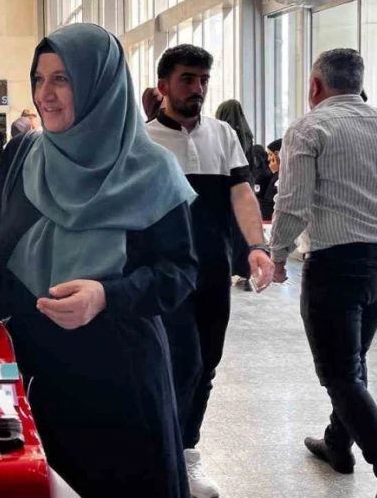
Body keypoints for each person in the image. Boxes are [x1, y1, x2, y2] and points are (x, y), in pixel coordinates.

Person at [0, 23, 197, 497]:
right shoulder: (25, 153)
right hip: (27, 369)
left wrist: (106, 294)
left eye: (62, 79)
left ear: (100, 84)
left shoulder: (151, 170)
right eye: (39, 78)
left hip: (116, 379)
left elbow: (179, 272)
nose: (45, 94)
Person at [270, 49, 377, 498]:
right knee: (352, 364)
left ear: (315, 86)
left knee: (340, 374)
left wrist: (276, 255)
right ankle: (337, 442)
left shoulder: (310, 127)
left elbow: (292, 202)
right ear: (358, 82)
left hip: (338, 267)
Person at [147, 44, 274, 498]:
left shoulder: (222, 135)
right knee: (181, 360)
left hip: (213, 270)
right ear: (164, 86)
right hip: (163, 275)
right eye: (187, 79)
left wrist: (256, 247)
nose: (198, 88)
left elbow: (242, 194)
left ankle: (185, 450)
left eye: (203, 80)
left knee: (207, 365)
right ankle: (163, 450)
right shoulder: (143, 141)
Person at [216, 99, 259, 294]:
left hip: (225, 191)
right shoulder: (248, 135)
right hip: (245, 188)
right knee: (242, 233)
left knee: (225, 232)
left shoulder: (221, 135)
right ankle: (245, 274)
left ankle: (225, 271)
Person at [257, 139, 282, 222]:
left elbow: (269, 200)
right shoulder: (272, 174)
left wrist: (276, 173)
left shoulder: (281, 175)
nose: (268, 159)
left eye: (270, 155)